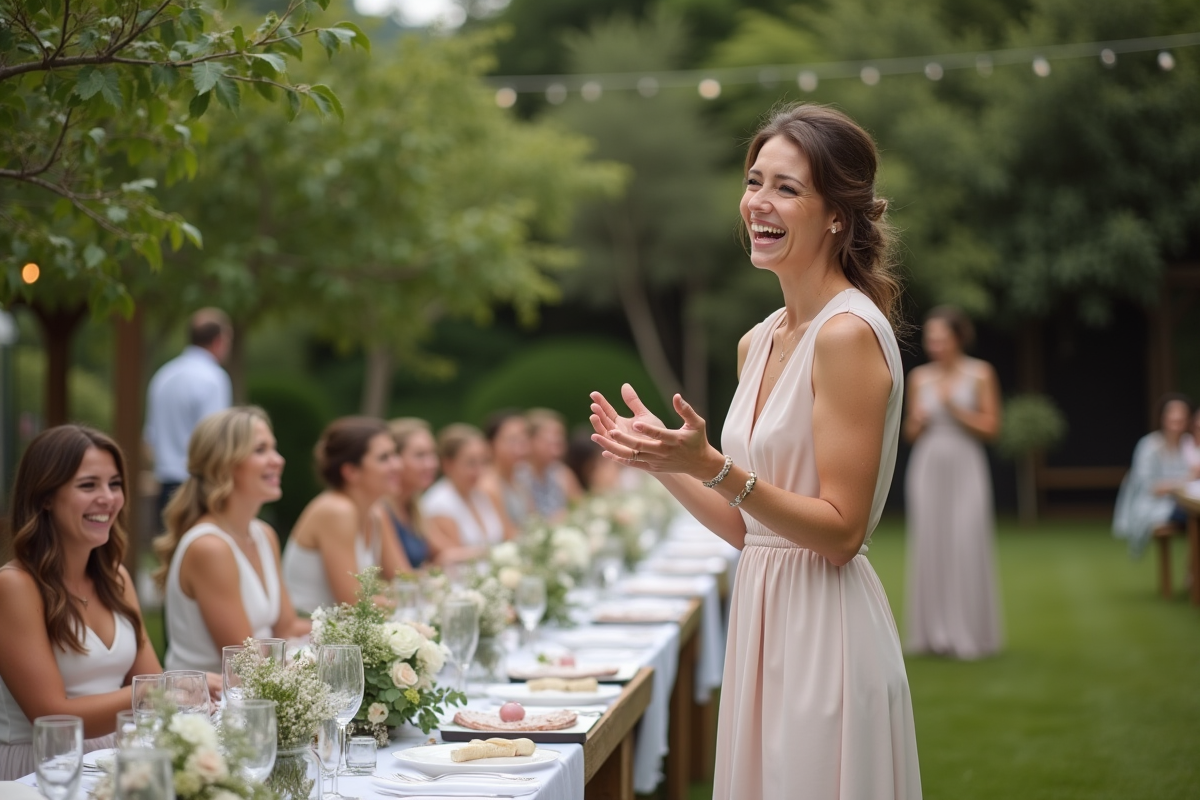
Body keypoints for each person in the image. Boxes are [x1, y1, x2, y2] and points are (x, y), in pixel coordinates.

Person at [589, 104, 921, 799]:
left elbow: (839, 533)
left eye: (787, 188)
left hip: (824, 635)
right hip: (762, 618)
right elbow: (752, 528)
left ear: (837, 214)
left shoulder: (845, 335)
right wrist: (666, 463)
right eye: (753, 181)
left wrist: (713, 465)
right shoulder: (759, 339)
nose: (758, 204)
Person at [0, 426, 161, 780]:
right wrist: (156, 690)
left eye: (114, 484)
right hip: (43, 770)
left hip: (117, 758)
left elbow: (153, 679)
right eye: (88, 485)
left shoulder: (117, 578)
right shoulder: (15, 586)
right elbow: (51, 717)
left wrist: (171, 688)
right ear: (45, 497)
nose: (107, 498)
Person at [153, 407, 310, 672]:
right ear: (224, 464)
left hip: (261, 692)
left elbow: (287, 627)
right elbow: (245, 661)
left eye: (274, 448)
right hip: (209, 705)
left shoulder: (263, 534)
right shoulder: (210, 547)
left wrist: (357, 632)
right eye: (261, 450)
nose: (278, 460)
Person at [902, 306, 1003, 660]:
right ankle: (933, 633)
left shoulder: (980, 374)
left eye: (942, 338)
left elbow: (992, 428)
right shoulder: (919, 379)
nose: (935, 345)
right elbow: (910, 434)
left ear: (959, 338)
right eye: (931, 339)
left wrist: (955, 409)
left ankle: (971, 632)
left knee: (966, 540)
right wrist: (917, 420)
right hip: (928, 464)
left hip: (966, 463)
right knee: (930, 541)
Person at [282, 417, 410, 614]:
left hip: (346, 635)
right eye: (385, 458)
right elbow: (353, 603)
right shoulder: (336, 511)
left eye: (395, 455)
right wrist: (406, 602)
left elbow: (404, 579)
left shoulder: (376, 511)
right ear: (351, 471)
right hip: (310, 635)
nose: (398, 465)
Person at [144, 308, 233, 522]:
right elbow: (214, 440)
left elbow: (149, 438)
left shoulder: (163, 375)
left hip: (165, 484)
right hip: (198, 486)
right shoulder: (213, 377)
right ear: (219, 340)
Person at [1113, 394, 1195, 555]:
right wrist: (1185, 481)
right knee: (1194, 519)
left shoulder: (1190, 444)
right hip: (1156, 506)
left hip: (1185, 504)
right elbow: (1150, 487)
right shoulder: (1149, 446)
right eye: (1173, 418)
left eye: (1181, 418)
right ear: (1163, 418)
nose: (1177, 423)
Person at [422, 424, 507, 564]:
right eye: (471, 463)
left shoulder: (484, 494)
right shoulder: (440, 503)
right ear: (448, 464)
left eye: (484, 462)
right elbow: (452, 557)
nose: (479, 470)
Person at [383, 418, 439, 570]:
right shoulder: (382, 509)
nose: (431, 464)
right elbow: (401, 574)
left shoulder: (415, 505)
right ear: (395, 459)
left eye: (432, 454)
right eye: (420, 455)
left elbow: (442, 552)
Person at [514, 408, 583, 521]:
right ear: (530, 440)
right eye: (550, 442)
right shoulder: (518, 476)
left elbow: (581, 507)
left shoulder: (562, 473)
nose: (557, 450)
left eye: (560, 442)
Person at [478, 409, 534, 537]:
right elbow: (506, 533)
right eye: (513, 440)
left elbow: (533, 520)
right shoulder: (488, 485)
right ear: (491, 444)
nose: (521, 447)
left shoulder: (521, 477)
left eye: (524, 439)